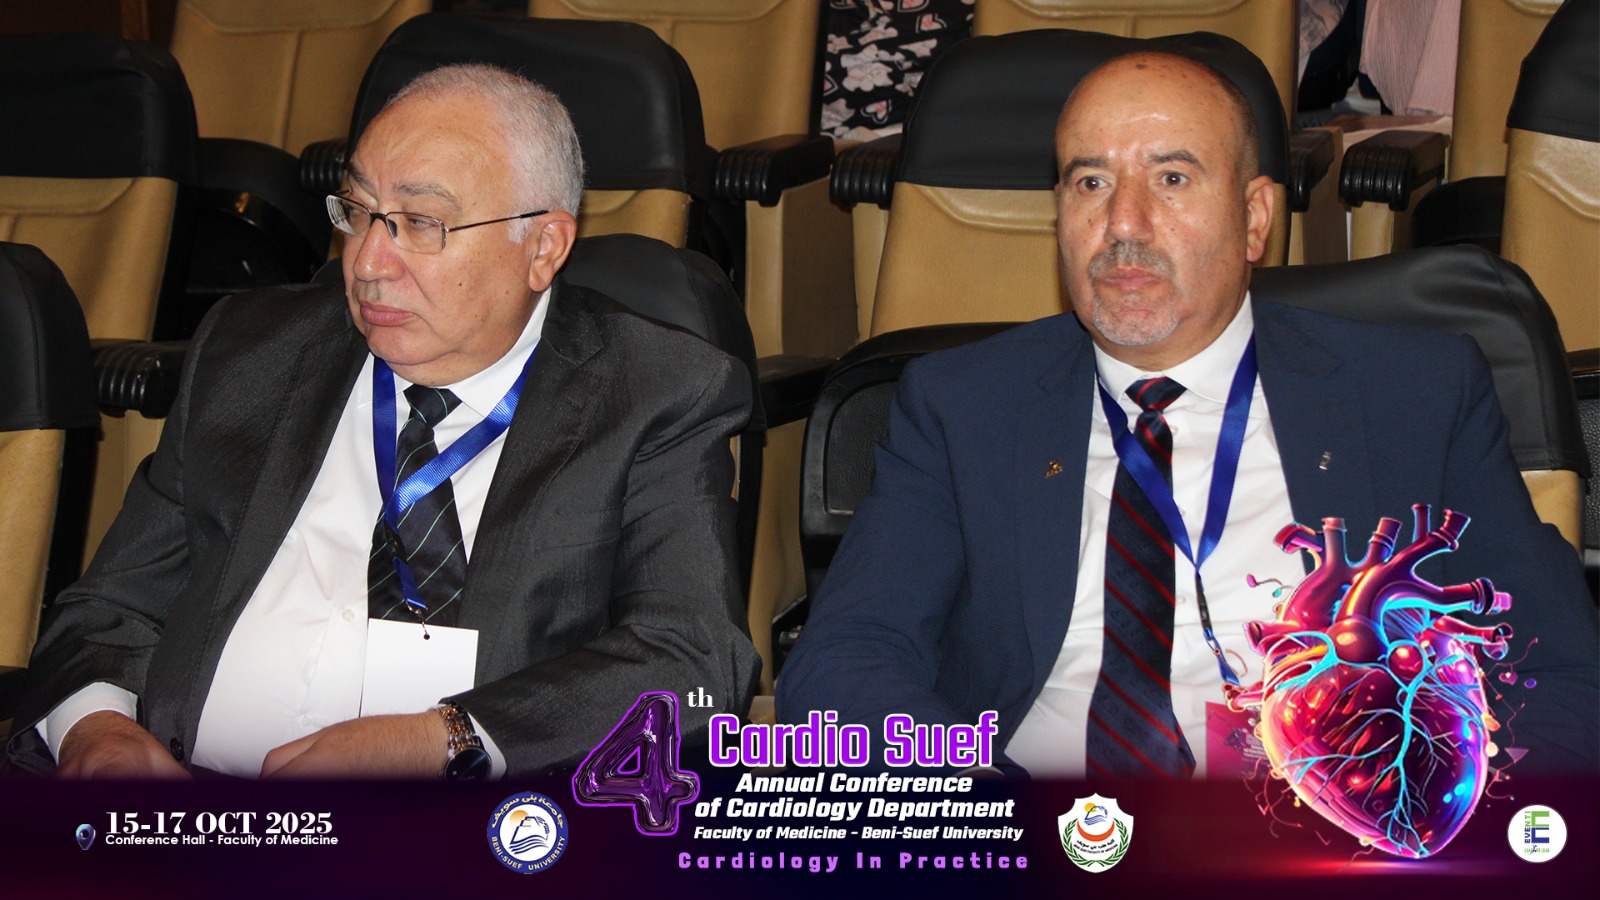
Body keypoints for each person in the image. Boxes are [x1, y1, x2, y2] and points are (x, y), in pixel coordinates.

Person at [777, 51, 1598, 778]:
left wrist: (1430, 830)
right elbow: (847, 661)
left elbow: (1557, 671)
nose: (1122, 224)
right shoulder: (964, 406)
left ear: (1254, 218)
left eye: (1171, 179)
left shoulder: (1411, 394)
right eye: (1090, 182)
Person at [7, 64, 760, 779]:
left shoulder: (653, 392)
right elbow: (107, 609)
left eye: (421, 222)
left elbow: (693, 662)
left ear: (543, 246)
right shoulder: (249, 352)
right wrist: (97, 734)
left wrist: (444, 741)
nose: (367, 262)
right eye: (359, 211)